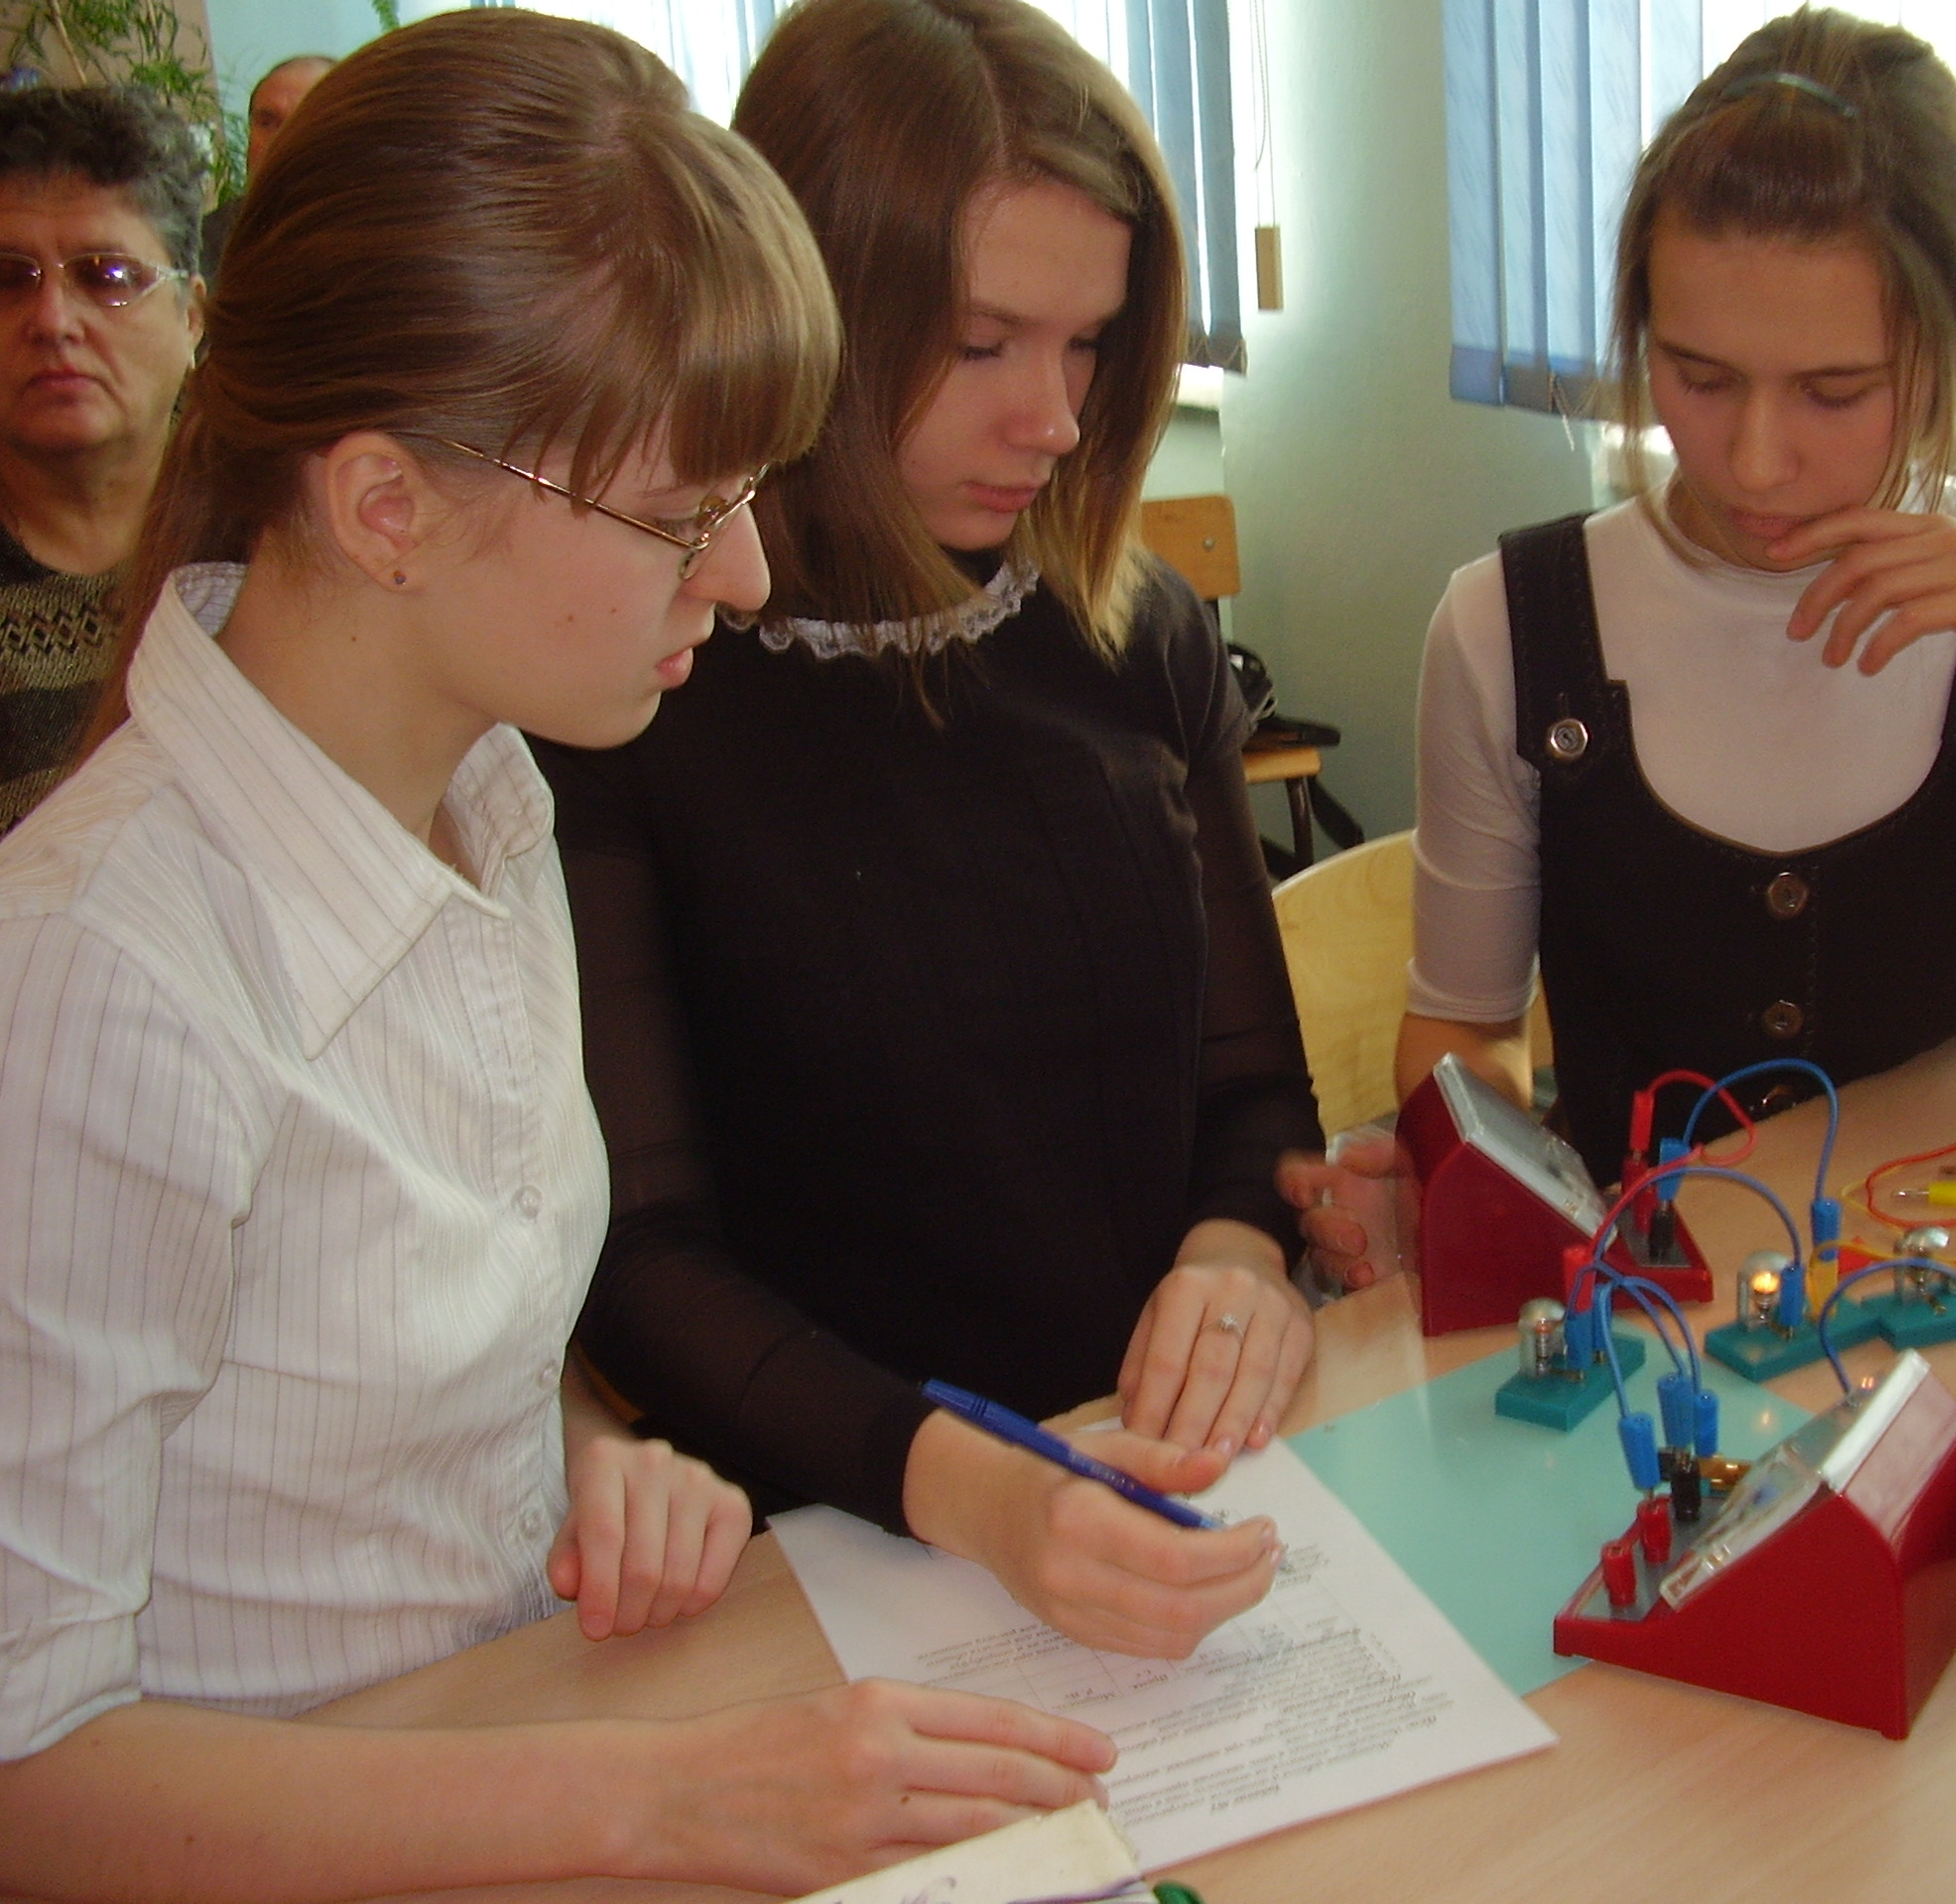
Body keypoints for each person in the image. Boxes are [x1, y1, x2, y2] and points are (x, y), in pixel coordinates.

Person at [0, 15, 1118, 1898]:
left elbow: (353, 1374)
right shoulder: (95, 981)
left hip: (509, 1745)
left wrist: (580, 1445)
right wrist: (668, 1800)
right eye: (684, 516)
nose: (746, 576)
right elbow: (29, 1776)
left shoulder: (493, 800)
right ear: (387, 508)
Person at [1284, 6, 1956, 1284]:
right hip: (1647, 1314)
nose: (1755, 461)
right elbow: (1467, 1030)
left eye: (1834, 393)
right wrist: (1467, 1182)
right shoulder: (1505, 626)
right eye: (1698, 377)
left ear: (1952, 357)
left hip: (1944, 1295)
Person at [533, 0, 1319, 1661]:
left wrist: (1242, 1253)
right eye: (981, 345)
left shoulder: (1139, 631)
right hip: (834, 1541)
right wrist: (968, 1484)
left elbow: (1251, 1093)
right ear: (808, 305)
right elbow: (640, 1261)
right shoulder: (633, 685)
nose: (1057, 417)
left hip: (1164, 1475)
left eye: (1089, 343)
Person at [0, 85, 202, 832]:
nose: (54, 321)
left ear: (193, 317)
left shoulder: (283, 523)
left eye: (107, 277)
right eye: (7, 279)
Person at [197, 54, 334, 285]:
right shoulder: (204, 247)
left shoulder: (382, 239)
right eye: (267, 123)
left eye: (303, 122)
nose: (280, 141)